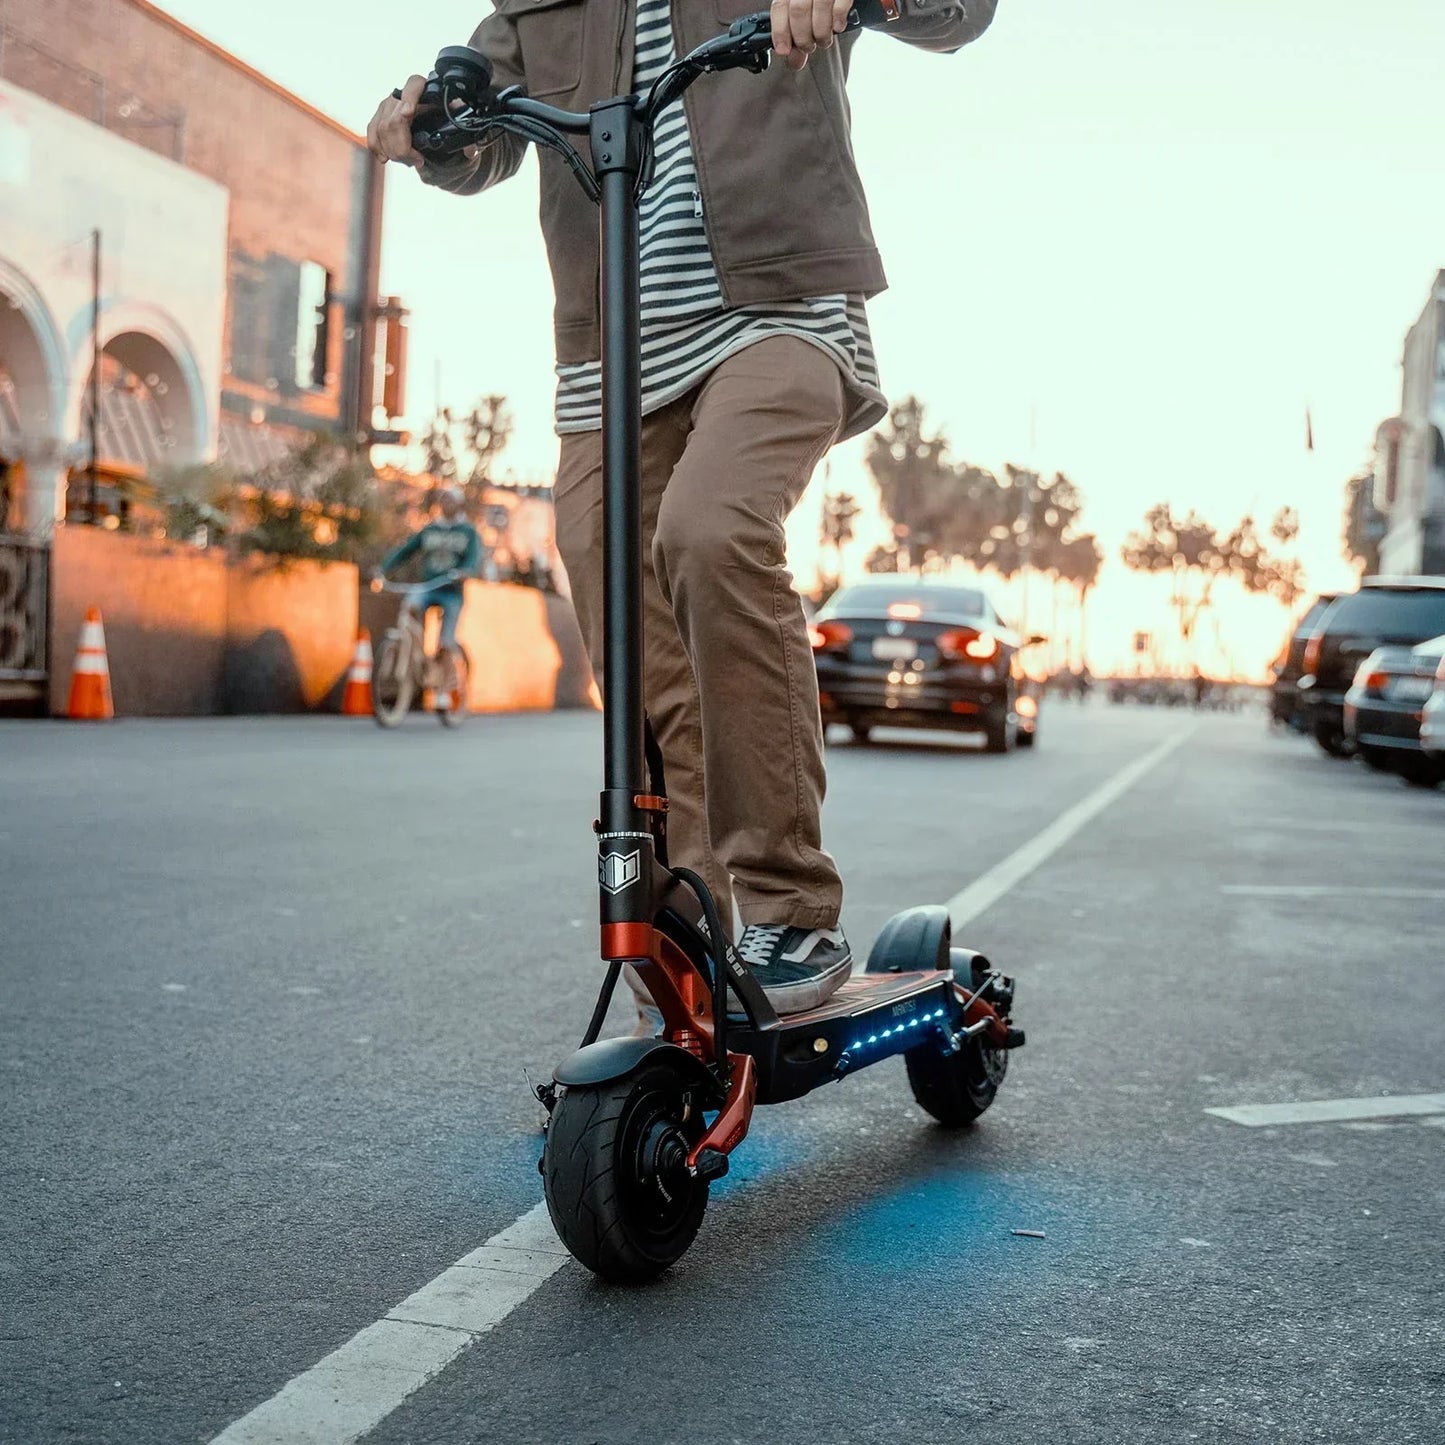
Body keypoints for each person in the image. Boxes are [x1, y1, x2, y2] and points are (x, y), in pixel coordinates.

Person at [368, 0, 999, 1015]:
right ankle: (697, 910)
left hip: (775, 309)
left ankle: (792, 904)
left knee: (710, 530)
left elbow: (956, 11)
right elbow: (480, 130)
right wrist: (424, 127)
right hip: (611, 347)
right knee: (620, 601)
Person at [378, 486, 482, 658]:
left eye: (451, 500)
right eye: (444, 500)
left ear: (459, 504)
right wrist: (383, 568)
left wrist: (466, 572)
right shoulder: (431, 529)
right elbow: (406, 550)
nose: (446, 504)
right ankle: (416, 658)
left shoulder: (468, 532)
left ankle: (450, 671)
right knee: (410, 607)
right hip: (427, 586)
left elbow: (474, 558)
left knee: (446, 642)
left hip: (452, 592)